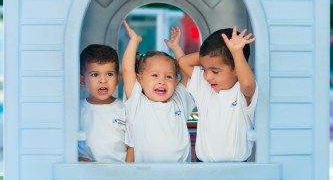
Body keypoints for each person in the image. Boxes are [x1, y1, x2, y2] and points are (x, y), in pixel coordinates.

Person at [178, 26, 258, 162]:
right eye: (204, 69)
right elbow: (183, 62)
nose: (208, 76)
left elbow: (248, 84)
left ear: (237, 70)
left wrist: (236, 53)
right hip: (203, 165)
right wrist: (214, 55)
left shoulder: (242, 91)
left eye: (215, 71)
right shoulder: (203, 85)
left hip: (237, 170)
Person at [121, 20, 195, 163]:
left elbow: (186, 73)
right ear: (140, 79)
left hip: (181, 176)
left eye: (168, 76)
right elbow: (127, 70)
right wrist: (134, 41)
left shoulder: (179, 101)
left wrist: (176, 48)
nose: (162, 81)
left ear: (175, 82)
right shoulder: (137, 104)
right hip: (148, 176)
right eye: (154, 75)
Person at [79, 44, 134, 163]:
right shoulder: (77, 109)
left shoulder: (125, 108)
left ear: (118, 78)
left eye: (109, 74)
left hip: (120, 172)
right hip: (88, 174)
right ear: (82, 80)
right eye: (95, 74)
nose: (103, 80)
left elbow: (133, 145)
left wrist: (128, 171)